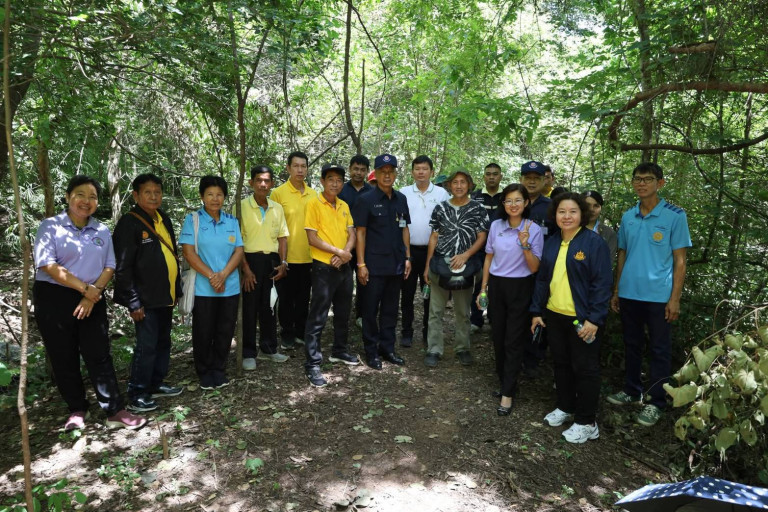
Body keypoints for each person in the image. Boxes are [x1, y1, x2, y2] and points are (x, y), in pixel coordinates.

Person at [33, 175, 146, 430]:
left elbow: (110, 265)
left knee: (99, 353)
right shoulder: (50, 226)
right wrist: (85, 289)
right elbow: (48, 264)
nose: (86, 201)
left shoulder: (101, 230)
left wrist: (91, 294)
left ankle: (114, 410)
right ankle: (77, 409)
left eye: (92, 196)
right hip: (54, 297)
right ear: (68, 197)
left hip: (93, 296)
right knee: (63, 355)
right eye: (80, 195)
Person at [606, 162, 692, 427]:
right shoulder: (628, 216)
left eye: (648, 179)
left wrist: (675, 298)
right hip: (629, 293)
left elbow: (680, 260)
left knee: (659, 348)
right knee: (632, 344)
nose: (641, 183)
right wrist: (617, 289)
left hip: (658, 296)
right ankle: (632, 390)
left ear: (660, 183)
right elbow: (622, 254)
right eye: (637, 179)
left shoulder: (675, 216)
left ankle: (656, 402)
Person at [530, 193, 612, 443]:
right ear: (555, 214)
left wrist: (594, 319)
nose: (567, 216)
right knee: (561, 364)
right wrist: (536, 311)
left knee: (585, 369)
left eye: (573, 211)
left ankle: (587, 422)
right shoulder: (553, 241)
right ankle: (565, 406)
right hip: (555, 315)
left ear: (582, 214)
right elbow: (543, 279)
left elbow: (602, 283)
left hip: (583, 320)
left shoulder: (593, 243)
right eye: (562, 211)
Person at [113, 173, 183, 414]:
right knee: (147, 345)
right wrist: (133, 301)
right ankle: (137, 393)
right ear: (136, 195)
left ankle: (156, 383)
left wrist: (177, 289)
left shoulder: (163, 218)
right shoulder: (129, 223)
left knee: (163, 341)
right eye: (148, 192)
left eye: (157, 192)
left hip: (166, 295)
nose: (153, 197)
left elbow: (172, 254)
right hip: (144, 298)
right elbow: (122, 267)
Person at [478, 184, 543, 415]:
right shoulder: (496, 226)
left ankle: (507, 393)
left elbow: (535, 268)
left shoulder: (534, 229)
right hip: (497, 286)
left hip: (521, 287)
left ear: (526, 203)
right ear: (503, 204)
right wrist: (483, 289)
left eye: (518, 200)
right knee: (498, 336)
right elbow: (488, 258)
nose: (513, 205)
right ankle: (506, 381)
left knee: (513, 340)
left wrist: (525, 244)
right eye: (508, 200)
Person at [179, 175, 244, 390]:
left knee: (225, 330)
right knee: (203, 331)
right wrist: (212, 277)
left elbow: (239, 251)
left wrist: (223, 275)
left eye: (219, 194)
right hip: (203, 288)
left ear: (224, 197)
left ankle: (219, 369)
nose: (215, 199)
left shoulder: (232, 221)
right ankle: (204, 371)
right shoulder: (193, 220)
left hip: (229, 286)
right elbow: (188, 253)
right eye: (210, 194)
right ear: (201, 196)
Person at [423, 169, 489, 368]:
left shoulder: (478, 208)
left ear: (469, 185)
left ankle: (462, 348)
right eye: (455, 182)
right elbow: (434, 236)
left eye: (463, 182)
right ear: (449, 186)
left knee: (463, 311)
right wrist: (427, 266)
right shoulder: (440, 208)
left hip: (465, 267)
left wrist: (465, 255)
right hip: (440, 265)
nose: (459, 186)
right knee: (435, 311)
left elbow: (482, 236)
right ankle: (434, 349)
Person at [303, 163, 360, 387]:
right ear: (322, 181)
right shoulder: (313, 203)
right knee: (318, 316)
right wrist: (339, 252)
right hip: (323, 268)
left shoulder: (344, 205)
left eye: (339, 180)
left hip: (344, 267)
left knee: (343, 312)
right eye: (330, 179)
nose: (335, 183)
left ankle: (340, 350)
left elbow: (351, 233)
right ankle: (313, 363)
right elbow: (312, 238)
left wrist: (345, 254)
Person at [352, 153, 411, 370]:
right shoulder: (365, 200)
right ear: (375, 174)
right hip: (373, 266)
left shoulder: (401, 199)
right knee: (369, 310)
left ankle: (388, 348)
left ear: (395, 174)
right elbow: (360, 233)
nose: (387, 175)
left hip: (396, 265)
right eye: (382, 172)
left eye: (390, 171)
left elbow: (405, 229)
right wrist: (361, 264)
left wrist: (408, 257)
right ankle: (371, 351)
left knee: (390, 310)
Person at [239, 165, 290, 371]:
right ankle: (248, 352)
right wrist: (245, 269)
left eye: (267, 181)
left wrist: (283, 263)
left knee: (270, 306)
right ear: (251, 182)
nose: (263, 184)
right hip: (249, 260)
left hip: (272, 261)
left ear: (272, 184)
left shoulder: (277, 208)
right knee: (249, 308)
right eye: (259, 180)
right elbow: (236, 241)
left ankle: (268, 348)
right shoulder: (241, 206)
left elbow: (283, 237)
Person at [399, 155, 449, 347]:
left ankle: (429, 332)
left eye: (425, 169)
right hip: (409, 252)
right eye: (417, 169)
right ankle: (406, 332)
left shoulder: (441, 194)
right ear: (412, 172)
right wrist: (405, 253)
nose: (421, 172)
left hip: (433, 252)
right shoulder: (403, 193)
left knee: (431, 295)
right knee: (407, 294)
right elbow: (400, 223)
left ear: (432, 172)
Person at [270, 151, 318, 350]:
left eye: (303, 166)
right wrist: (279, 258)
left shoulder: (314, 194)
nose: (300, 170)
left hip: (309, 256)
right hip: (286, 256)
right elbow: (274, 226)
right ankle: (287, 334)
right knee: (286, 298)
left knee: (304, 297)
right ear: (288, 168)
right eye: (296, 166)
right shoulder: (278, 193)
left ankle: (301, 332)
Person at [469, 163, 505, 332]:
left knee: (497, 285)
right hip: (478, 249)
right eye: (488, 174)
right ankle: (476, 320)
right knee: (477, 283)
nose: (491, 177)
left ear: (500, 177)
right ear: (483, 176)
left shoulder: (507, 197)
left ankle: (494, 318)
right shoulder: (475, 196)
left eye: (495, 174)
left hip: (501, 249)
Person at [338, 155, 372, 327]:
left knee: (364, 281)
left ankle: (361, 315)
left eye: (362, 170)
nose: (358, 173)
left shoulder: (372, 191)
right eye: (355, 169)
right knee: (343, 282)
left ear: (367, 172)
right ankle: (340, 315)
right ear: (350, 169)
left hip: (366, 245)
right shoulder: (341, 190)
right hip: (343, 244)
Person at [581, 190, 617, 258]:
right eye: (587, 205)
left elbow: (609, 260)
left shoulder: (608, 233)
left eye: (596, 206)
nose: (591, 209)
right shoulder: (571, 228)